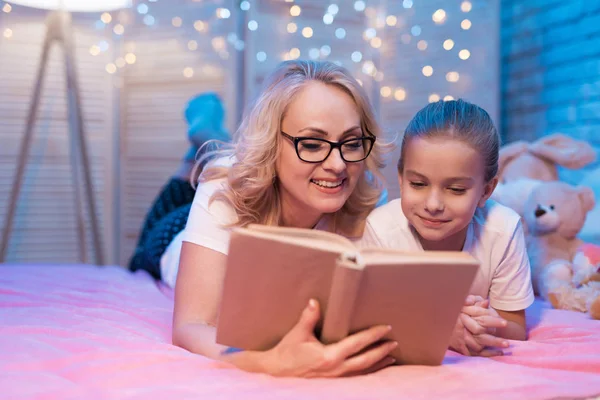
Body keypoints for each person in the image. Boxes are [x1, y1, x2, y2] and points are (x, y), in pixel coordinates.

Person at [169, 60, 396, 378]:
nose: (339, 164)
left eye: (352, 142)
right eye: (313, 144)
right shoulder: (224, 187)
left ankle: (212, 138)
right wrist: (269, 363)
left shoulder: (365, 194)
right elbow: (189, 325)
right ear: (273, 144)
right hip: (172, 237)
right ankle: (202, 138)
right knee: (180, 193)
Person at [359, 99, 535, 357]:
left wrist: (480, 325)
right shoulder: (382, 228)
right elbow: (373, 320)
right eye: (418, 184)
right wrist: (441, 328)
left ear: (486, 191)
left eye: (456, 190)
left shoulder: (504, 229)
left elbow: (516, 327)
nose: (433, 205)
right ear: (401, 178)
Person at [128, 92, 229, 280]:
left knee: (141, 256)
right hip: (178, 238)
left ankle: (215, 143)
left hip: (167, 242)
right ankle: (214, 142)